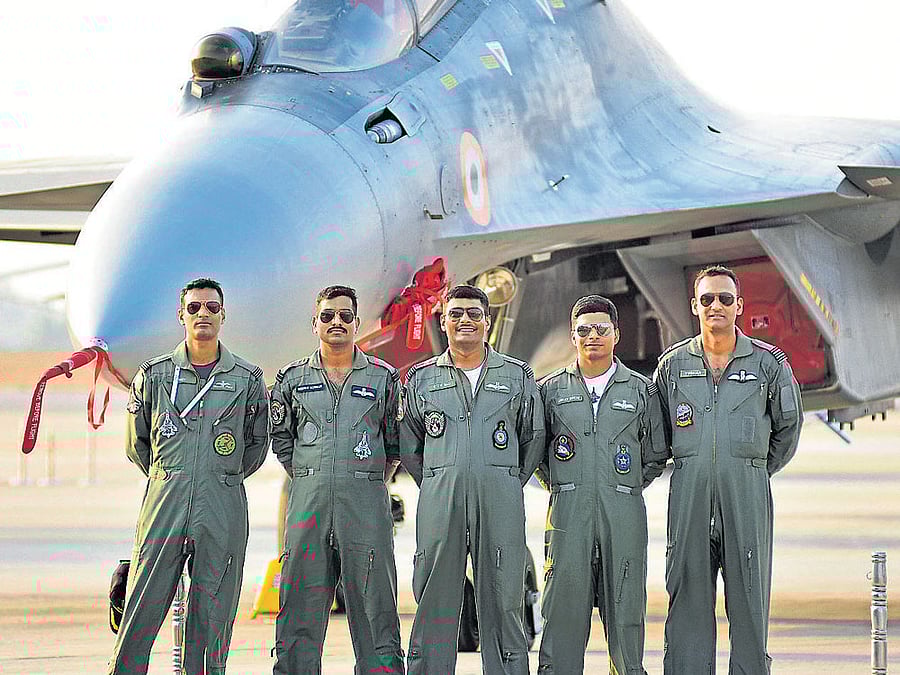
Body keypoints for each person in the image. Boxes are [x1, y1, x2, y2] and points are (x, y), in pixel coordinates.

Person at [110, 278, 270, 675]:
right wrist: (173, 475)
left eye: (212, 308)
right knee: (141, 605)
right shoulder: (156, 375)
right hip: (166, 498)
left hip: (222, 502)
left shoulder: (247, 379)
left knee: (214, 610)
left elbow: (255, 447)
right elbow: (137, 444)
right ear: (181, 315)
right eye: (195, 307)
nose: (204, 315)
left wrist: (218, 476)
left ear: (223, 315)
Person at [653, 265, 803, 674]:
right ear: (694, 307)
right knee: (686, 606)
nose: (715, 306)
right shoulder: (671, 367)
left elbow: (788, 428)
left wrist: (751, 469)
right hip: (690, 499)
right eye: (707, 299)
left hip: (747, 496)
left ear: (739, 305)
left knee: (750, 604)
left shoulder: (768, 364)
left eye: (723, 298)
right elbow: (657, 433)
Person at [400, 284, 545, 675]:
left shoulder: (516, 376)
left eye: (474, 313)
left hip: (500, 502)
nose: (466, 319)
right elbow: (410, 445)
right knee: (434, 600)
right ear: (443, 322)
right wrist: (438, 479)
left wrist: (503, 479)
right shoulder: (422, 379)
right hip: (440, 504)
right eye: (456, 313)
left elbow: (532, 439)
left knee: (503, 598)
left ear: (488, 321)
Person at [270, 285, 405, 674]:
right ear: (315, 324)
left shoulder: (383, 378)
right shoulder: (292, 379)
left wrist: (364, 478)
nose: (337, 323)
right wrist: (312, 474)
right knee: (299, 608)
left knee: (375, 605)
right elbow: (283, 441)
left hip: (364, 506)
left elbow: (394, 445)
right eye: (328, 316)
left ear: (357, 324)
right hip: (309, 507)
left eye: (345, 316)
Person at [536, 295, 665, 674]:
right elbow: (537, 452)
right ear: (573, 337)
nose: (593, 336)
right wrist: (566, 484)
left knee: (625, 614)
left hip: (622, 513)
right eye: (584, 330)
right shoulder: (550, 391)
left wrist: (619, 486)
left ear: (616, 334)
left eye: (601, 329)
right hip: (568, 515)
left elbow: (655, 452)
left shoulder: (641, 391)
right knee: (561, 614)